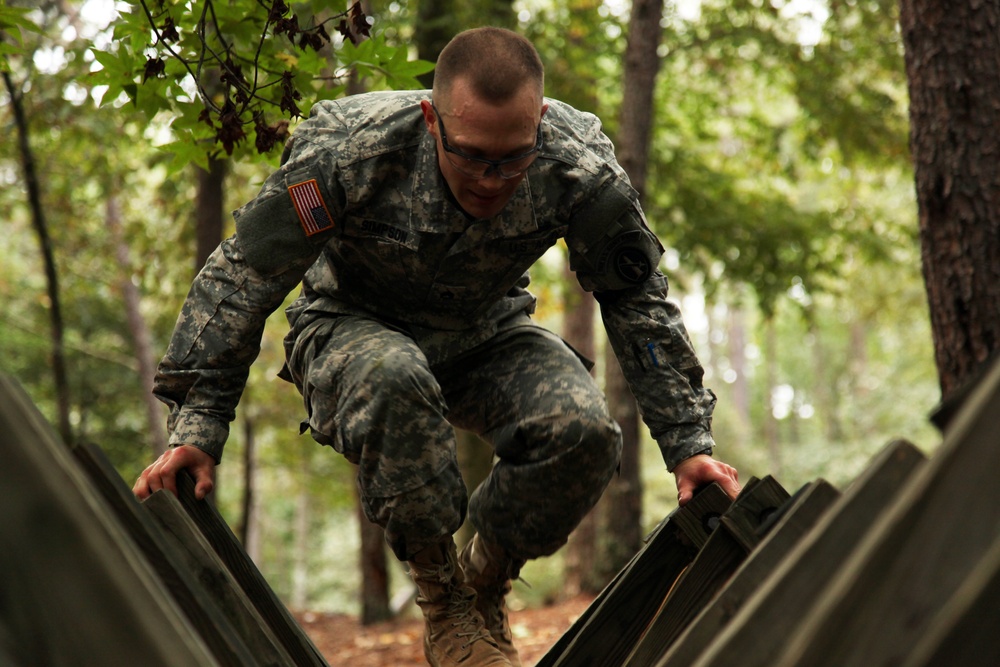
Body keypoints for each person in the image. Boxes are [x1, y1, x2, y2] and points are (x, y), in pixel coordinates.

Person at [133, 26, 741, 667]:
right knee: (393, 374)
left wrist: (689, 447)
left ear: (538, 122)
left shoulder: (577, 165)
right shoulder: (349, 151)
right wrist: (196, 426)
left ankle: (485, 583)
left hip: (487, 333)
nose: (492, 179)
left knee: (582, 430)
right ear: (432, 119)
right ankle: (445, 603)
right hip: (349, 329)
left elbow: (637, 302)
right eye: (474, 155)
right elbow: (242, 279)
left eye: (513, 158)